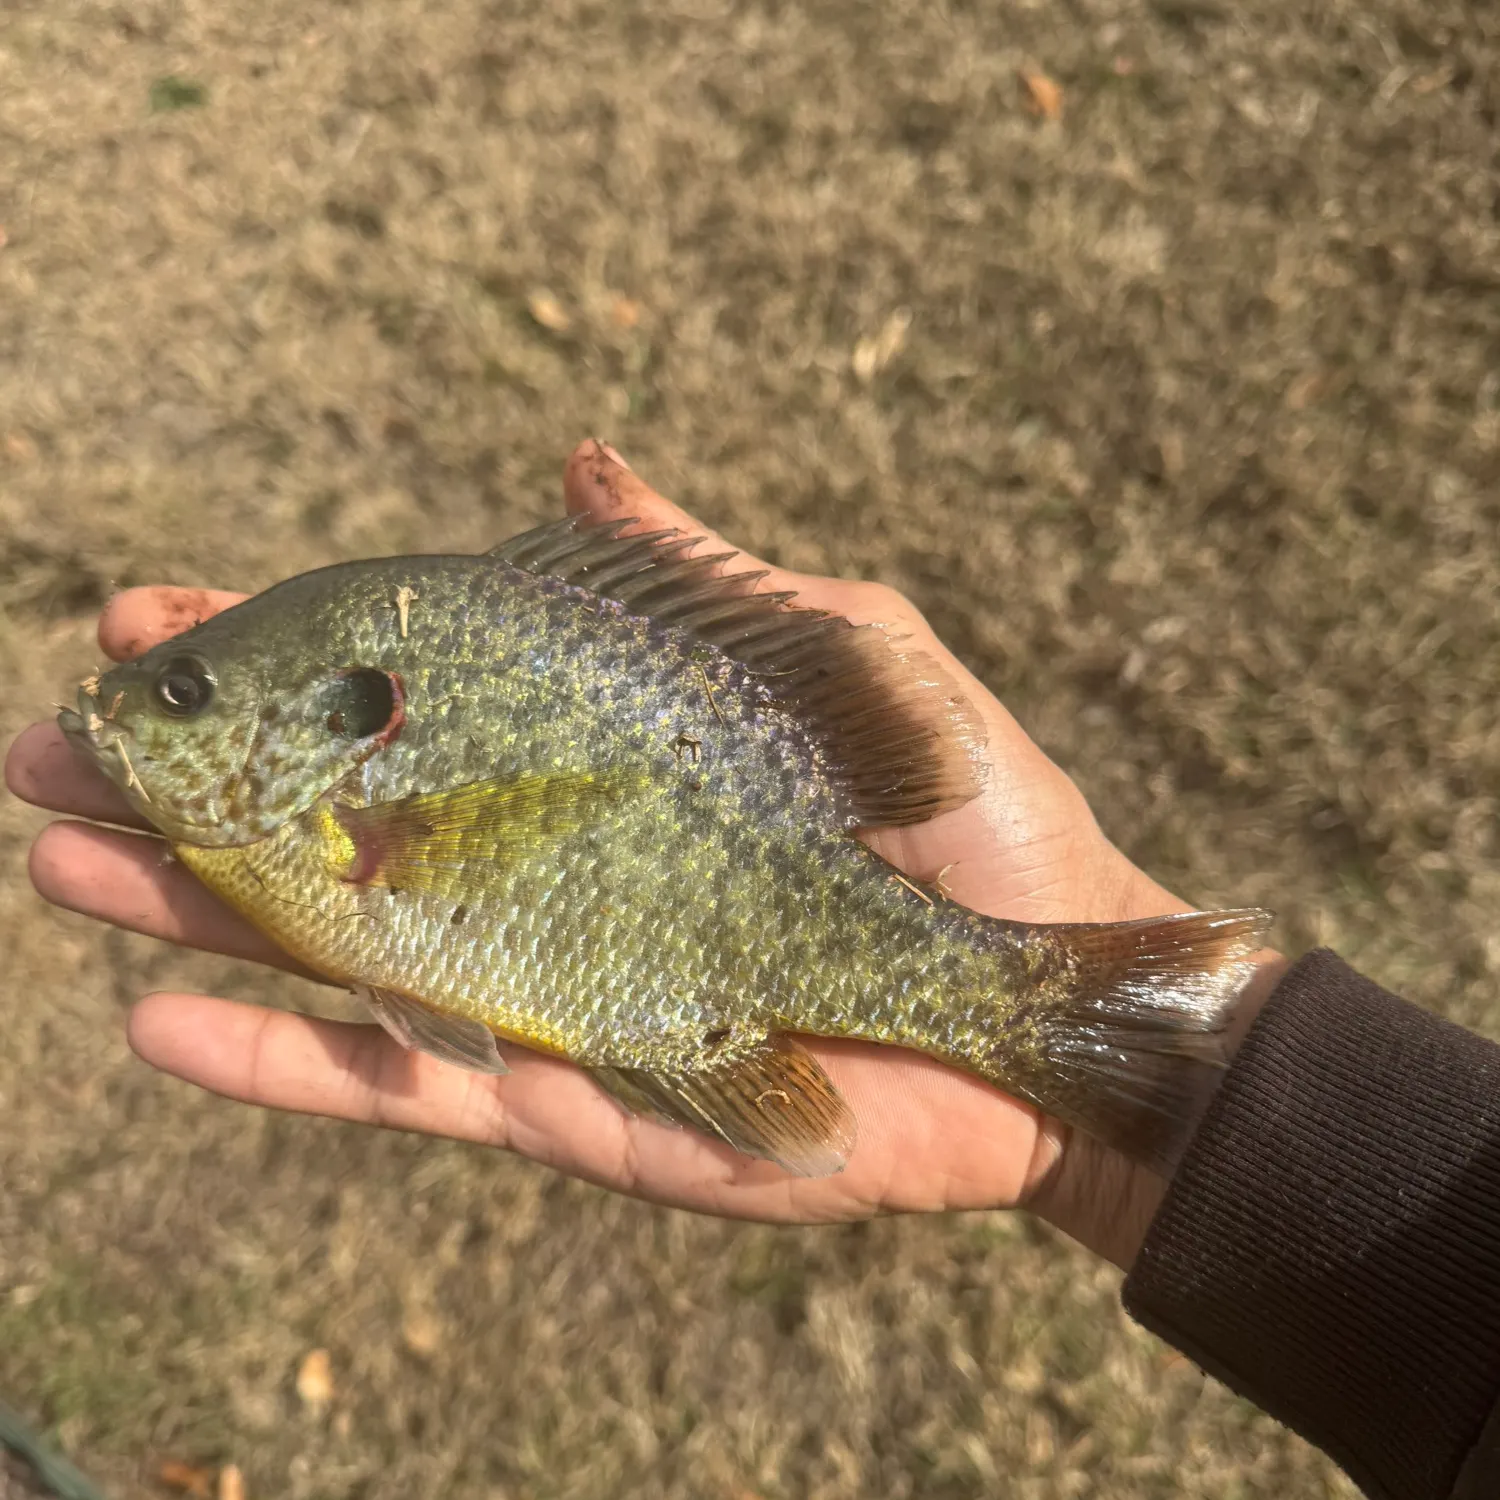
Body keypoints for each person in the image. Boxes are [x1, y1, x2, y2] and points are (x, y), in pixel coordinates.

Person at [6, 440, 1498, 1500]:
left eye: (183, 694)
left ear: (332, 724)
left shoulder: (355, 800)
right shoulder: (330, 786)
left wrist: (1203, 1111)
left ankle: (1084, 1041)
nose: (141, 707)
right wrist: (1228, 1111)